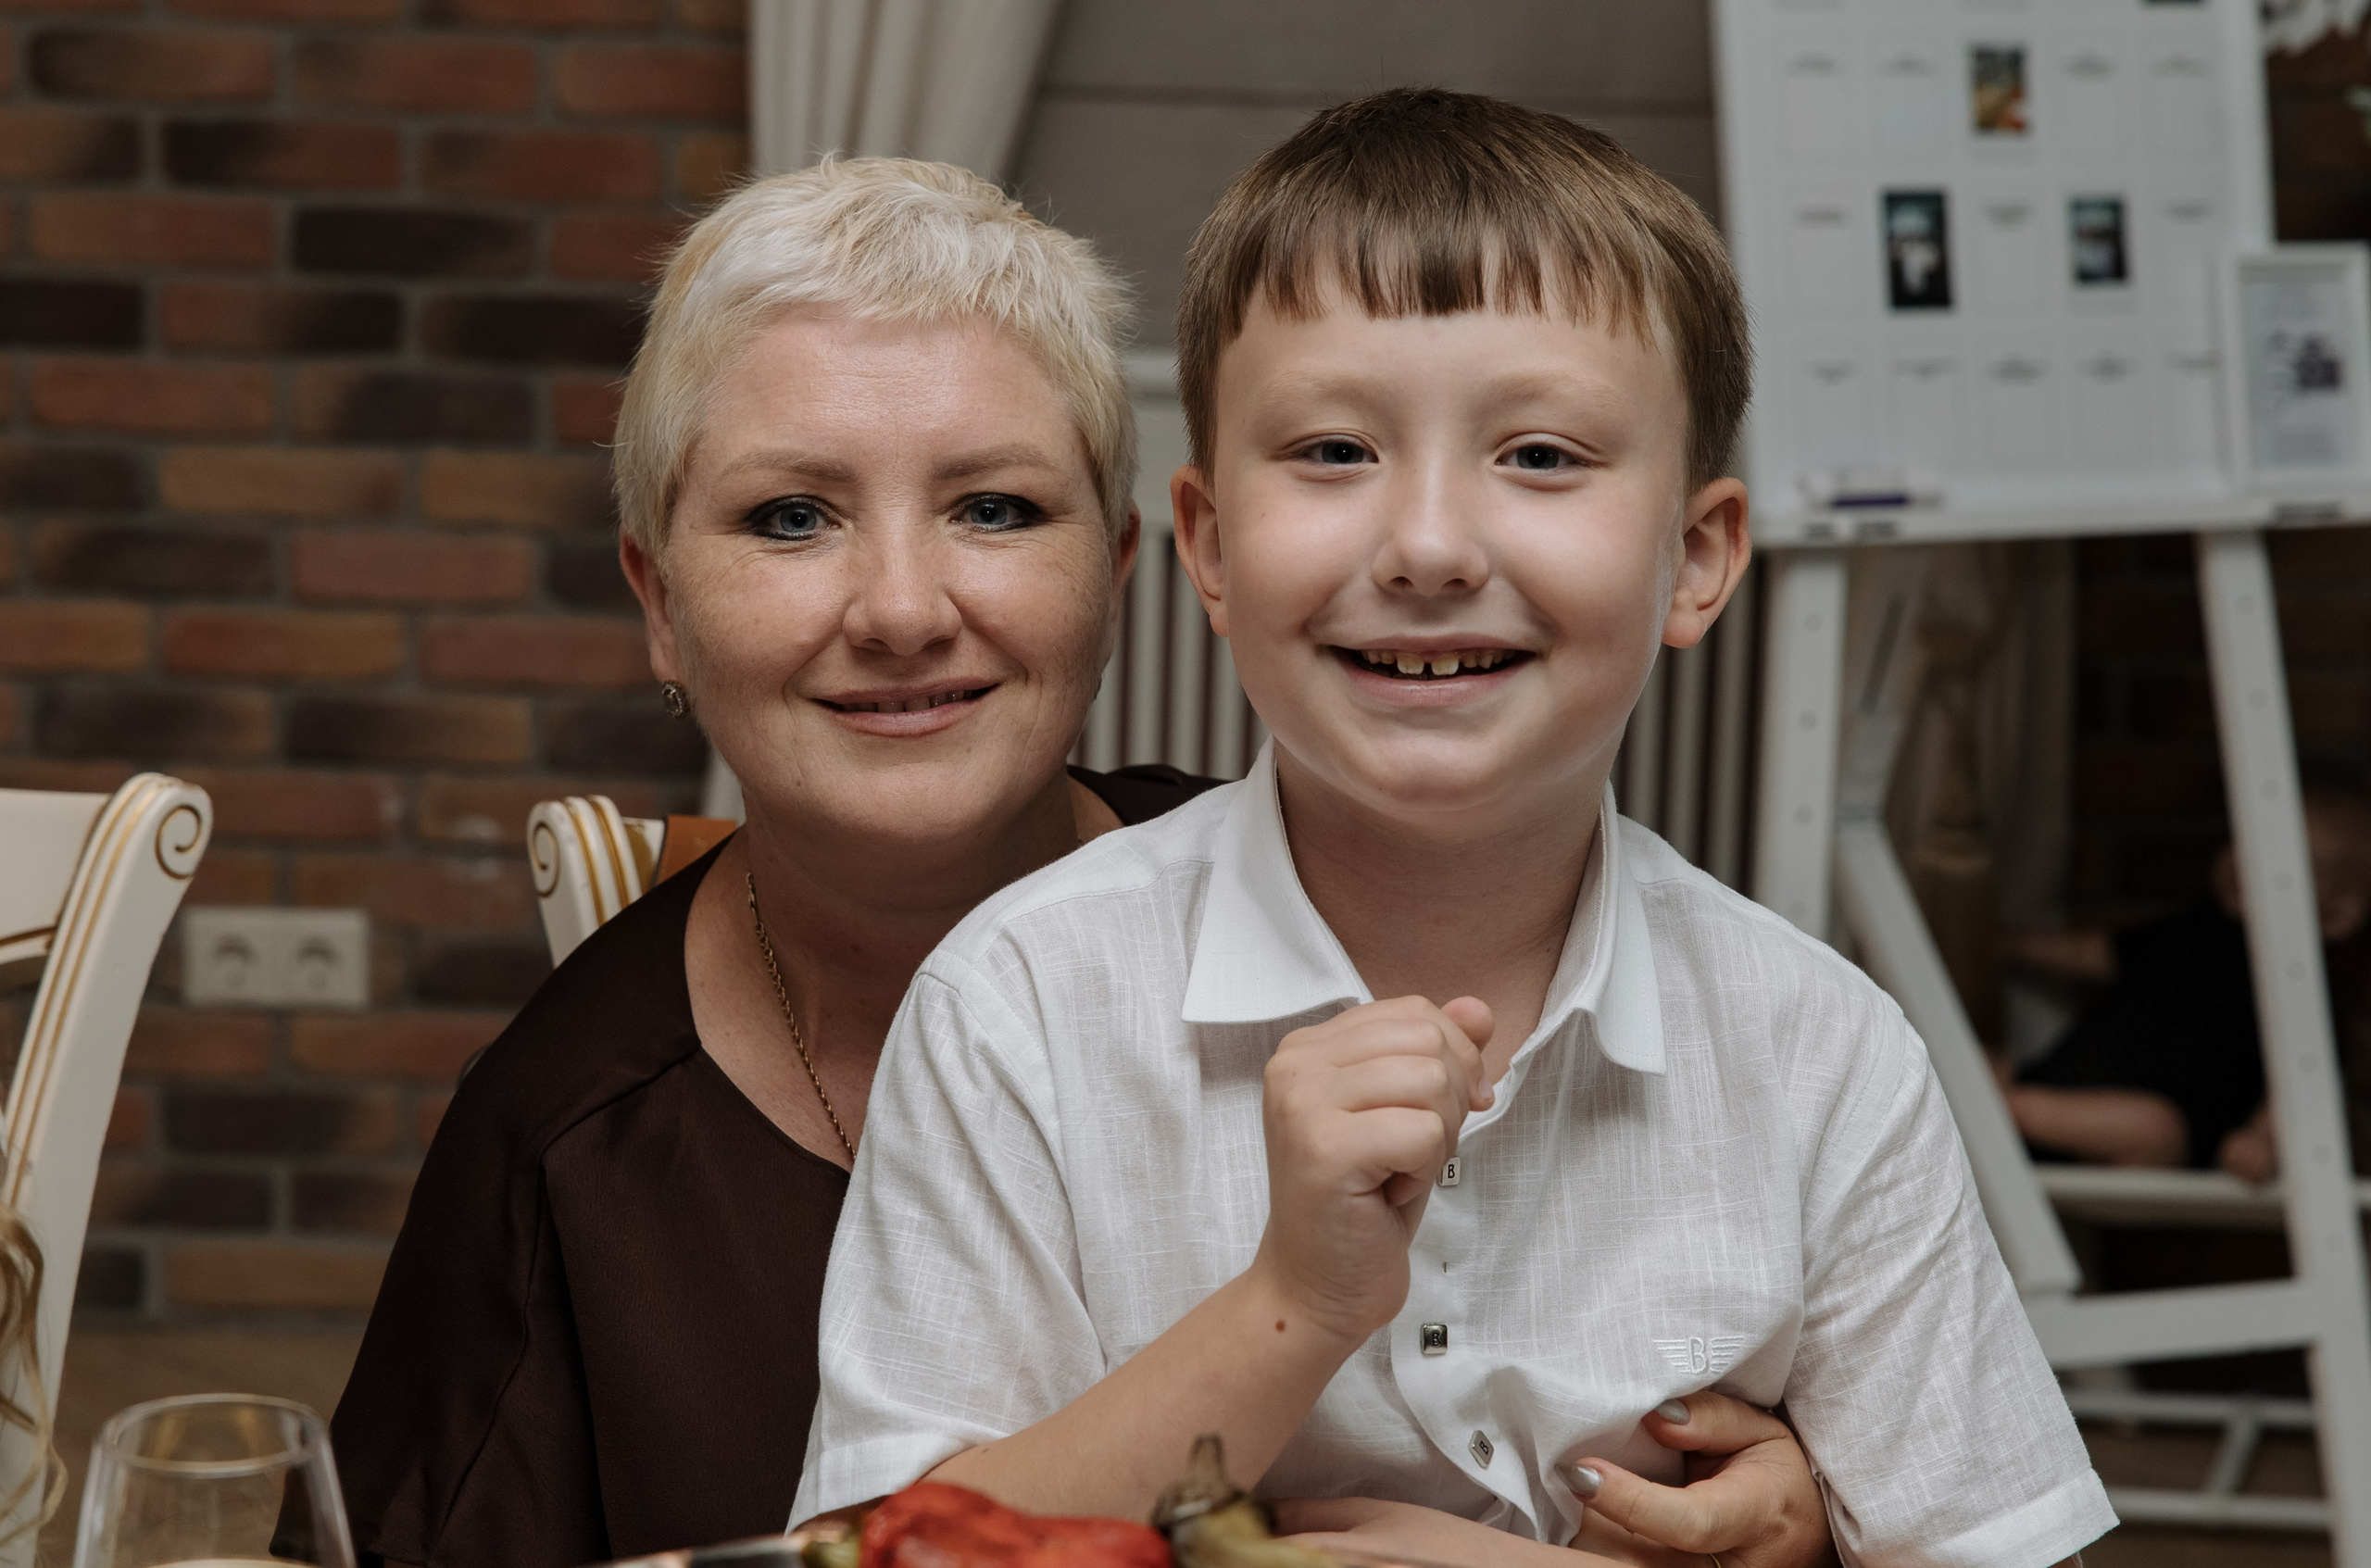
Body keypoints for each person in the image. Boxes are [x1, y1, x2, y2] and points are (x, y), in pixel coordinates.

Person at [327, 157, 1824, 1568]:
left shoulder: (1377, 900)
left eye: (994, 507)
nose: (903, 606)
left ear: (1119, 575)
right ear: (662, 604)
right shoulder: (561, 1135)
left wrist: (1810, 1506)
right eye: (793, 516)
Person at [796, 91, 2113, 1568]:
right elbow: (881, 1554)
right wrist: (1295, 1303)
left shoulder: (1820, 1057)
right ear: (1211, 544)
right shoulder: (1020, 1009)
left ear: (1695, 560)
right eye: (1335, 452)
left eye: (1541, 455)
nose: (1426, 546)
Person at [2003, 786, 2371, 1176]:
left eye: (2284, 861)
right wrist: (2014, 943)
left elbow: (2293, 1094)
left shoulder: (2305, 998)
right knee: (1970, 1058)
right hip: (2059, 1085)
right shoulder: (2194, 931)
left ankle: (2000, 1106)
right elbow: (2098, 954)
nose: (2245, 861)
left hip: (2151, 1138)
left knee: (2154, 1126)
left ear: (2336, 915)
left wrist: (2262, 1143)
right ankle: (2000, 1101)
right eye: (2244, 841)